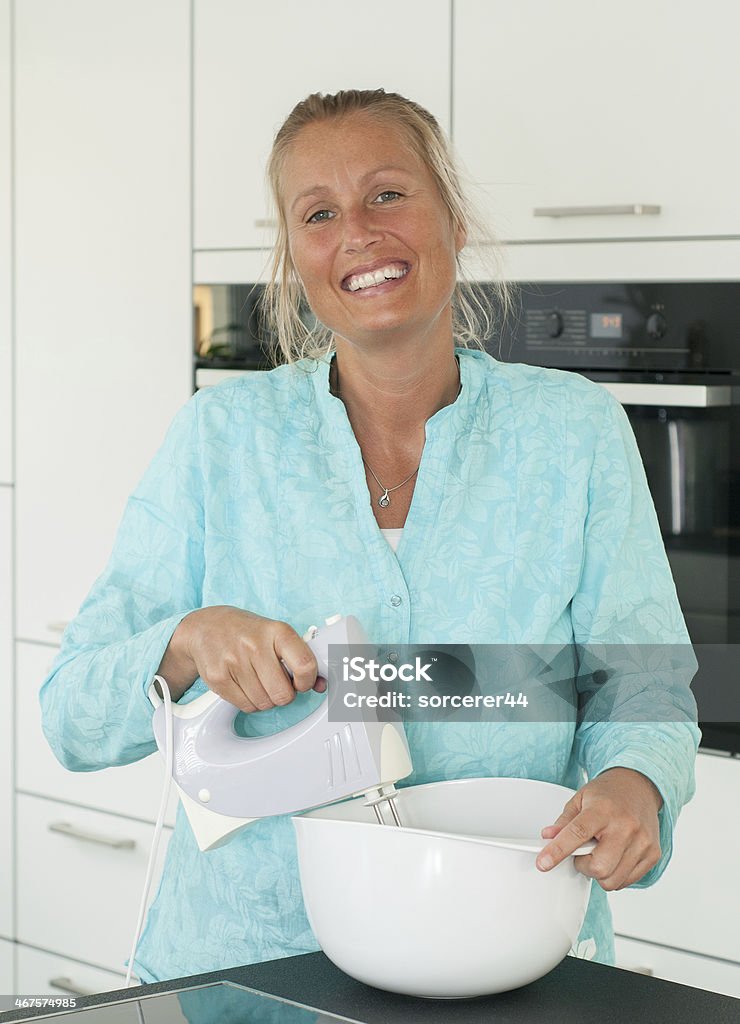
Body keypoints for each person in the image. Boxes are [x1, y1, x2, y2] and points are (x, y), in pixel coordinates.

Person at [39, 89, 700, 983]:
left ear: (453, 220)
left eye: (388, 194)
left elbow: (644, 677)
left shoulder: (574, 433)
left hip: (510, 950)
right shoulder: (219, 439)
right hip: (246, 971)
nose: (357, 231)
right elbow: (70, 714)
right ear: (294, 258)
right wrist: (188, 641)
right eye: (319, 213)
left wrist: (639, 783)